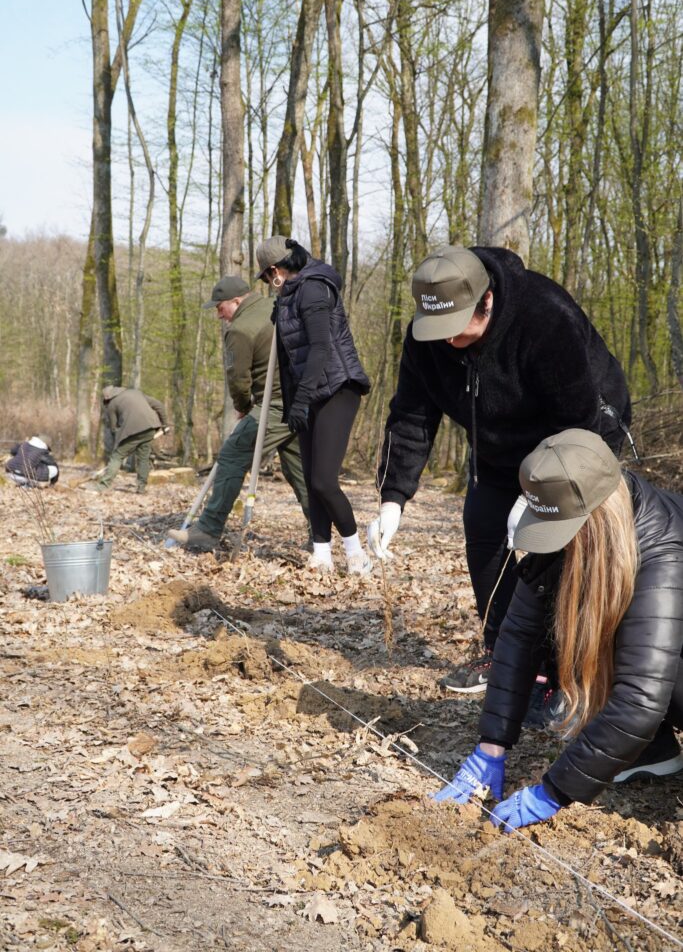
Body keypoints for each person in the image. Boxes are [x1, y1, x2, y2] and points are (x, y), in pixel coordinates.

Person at [367, 245, 632, 694]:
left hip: (580, 437)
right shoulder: (425, 340)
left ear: (486, 300)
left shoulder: (544, 318)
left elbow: (576, 419)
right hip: (496, 447)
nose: (446, 340)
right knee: (484, 531)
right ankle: (505, 653)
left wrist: (536, 497)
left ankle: (571, 665)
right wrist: (392, 498)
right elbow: (411, 416)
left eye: (455, 327)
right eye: (437, 329)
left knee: (562, 551)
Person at [433, 429, 683, 831]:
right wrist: (491, 746)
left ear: (593, 518)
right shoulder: (583, 525)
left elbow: (641, 697)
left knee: (642, 649)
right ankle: (654, 750)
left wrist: (552, 792)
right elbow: (519, 634)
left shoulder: (664, 556)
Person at [167, 275, 310, 551]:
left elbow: (238, 379)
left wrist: (243, 407)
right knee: (298, 469)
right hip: (301, 399)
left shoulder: (240, 329)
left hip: (275, 405)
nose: (219, 315)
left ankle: (207, 530)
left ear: (236, 301)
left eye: (220, 308)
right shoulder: (277, 305)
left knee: (232, 455)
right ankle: (320, 536)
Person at [256, 236, 371, 574]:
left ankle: (356, 553)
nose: (267, 283)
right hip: (310, 392)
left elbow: (321, 348)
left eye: (267, 276)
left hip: (337, 388)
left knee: (323, 481)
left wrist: (300, 400)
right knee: (310, 479)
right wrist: (295, 400)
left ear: (276, 269)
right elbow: (292, 357)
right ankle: (322, 553)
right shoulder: (290, 295)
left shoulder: (314, 289)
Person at [87, 386, 168, 494]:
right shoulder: (136, 393)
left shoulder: (112, 404)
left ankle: (102, 486)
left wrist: (121, 441)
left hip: (131, 431)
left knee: (117, 457)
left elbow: (114, 428)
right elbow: (159, 405)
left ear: (107, 398)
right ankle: (141, 488)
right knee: (143, 458)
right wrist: (164, 424)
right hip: (149, 428)